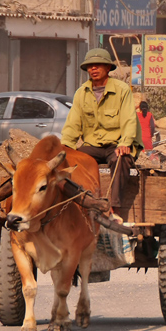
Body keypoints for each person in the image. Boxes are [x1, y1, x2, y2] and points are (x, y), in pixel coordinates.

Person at [61, 48, 143, 221]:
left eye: (98, 65)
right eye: (90, 66)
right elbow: (72, 123)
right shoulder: (81, 93)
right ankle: (76, 204)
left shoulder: (122, 90)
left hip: (117, 144)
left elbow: (129, 120)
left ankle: (114, 208)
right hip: (93, 146)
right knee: (71, 162)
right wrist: (66, 146)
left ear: (107, 68)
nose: (93, 69)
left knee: (120, 160)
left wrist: (125, 143)